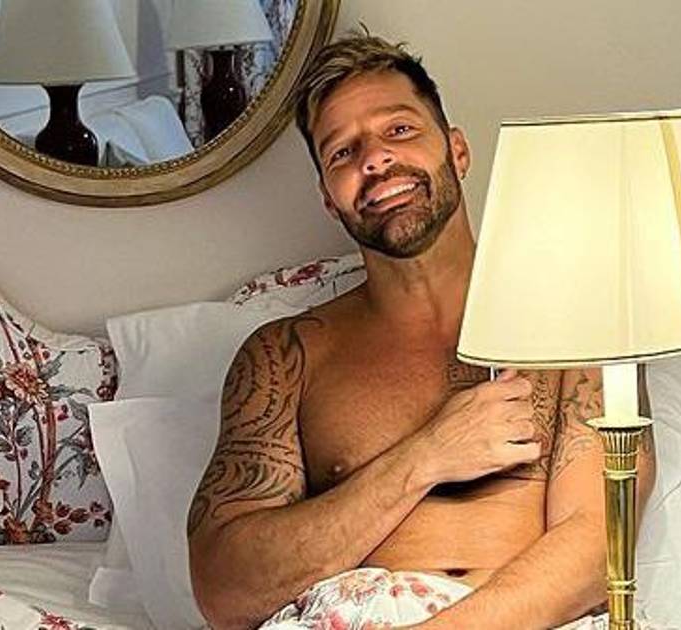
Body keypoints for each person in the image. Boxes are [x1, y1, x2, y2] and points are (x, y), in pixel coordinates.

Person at [186, 33, 655, 630]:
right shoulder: (285, 357)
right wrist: (426, 456)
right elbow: (225, 592)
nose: (374, 159)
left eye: (400, 129)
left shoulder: (577, 325)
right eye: (342, 152)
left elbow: (599, 548)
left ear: (457, 151)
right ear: (329, 199)